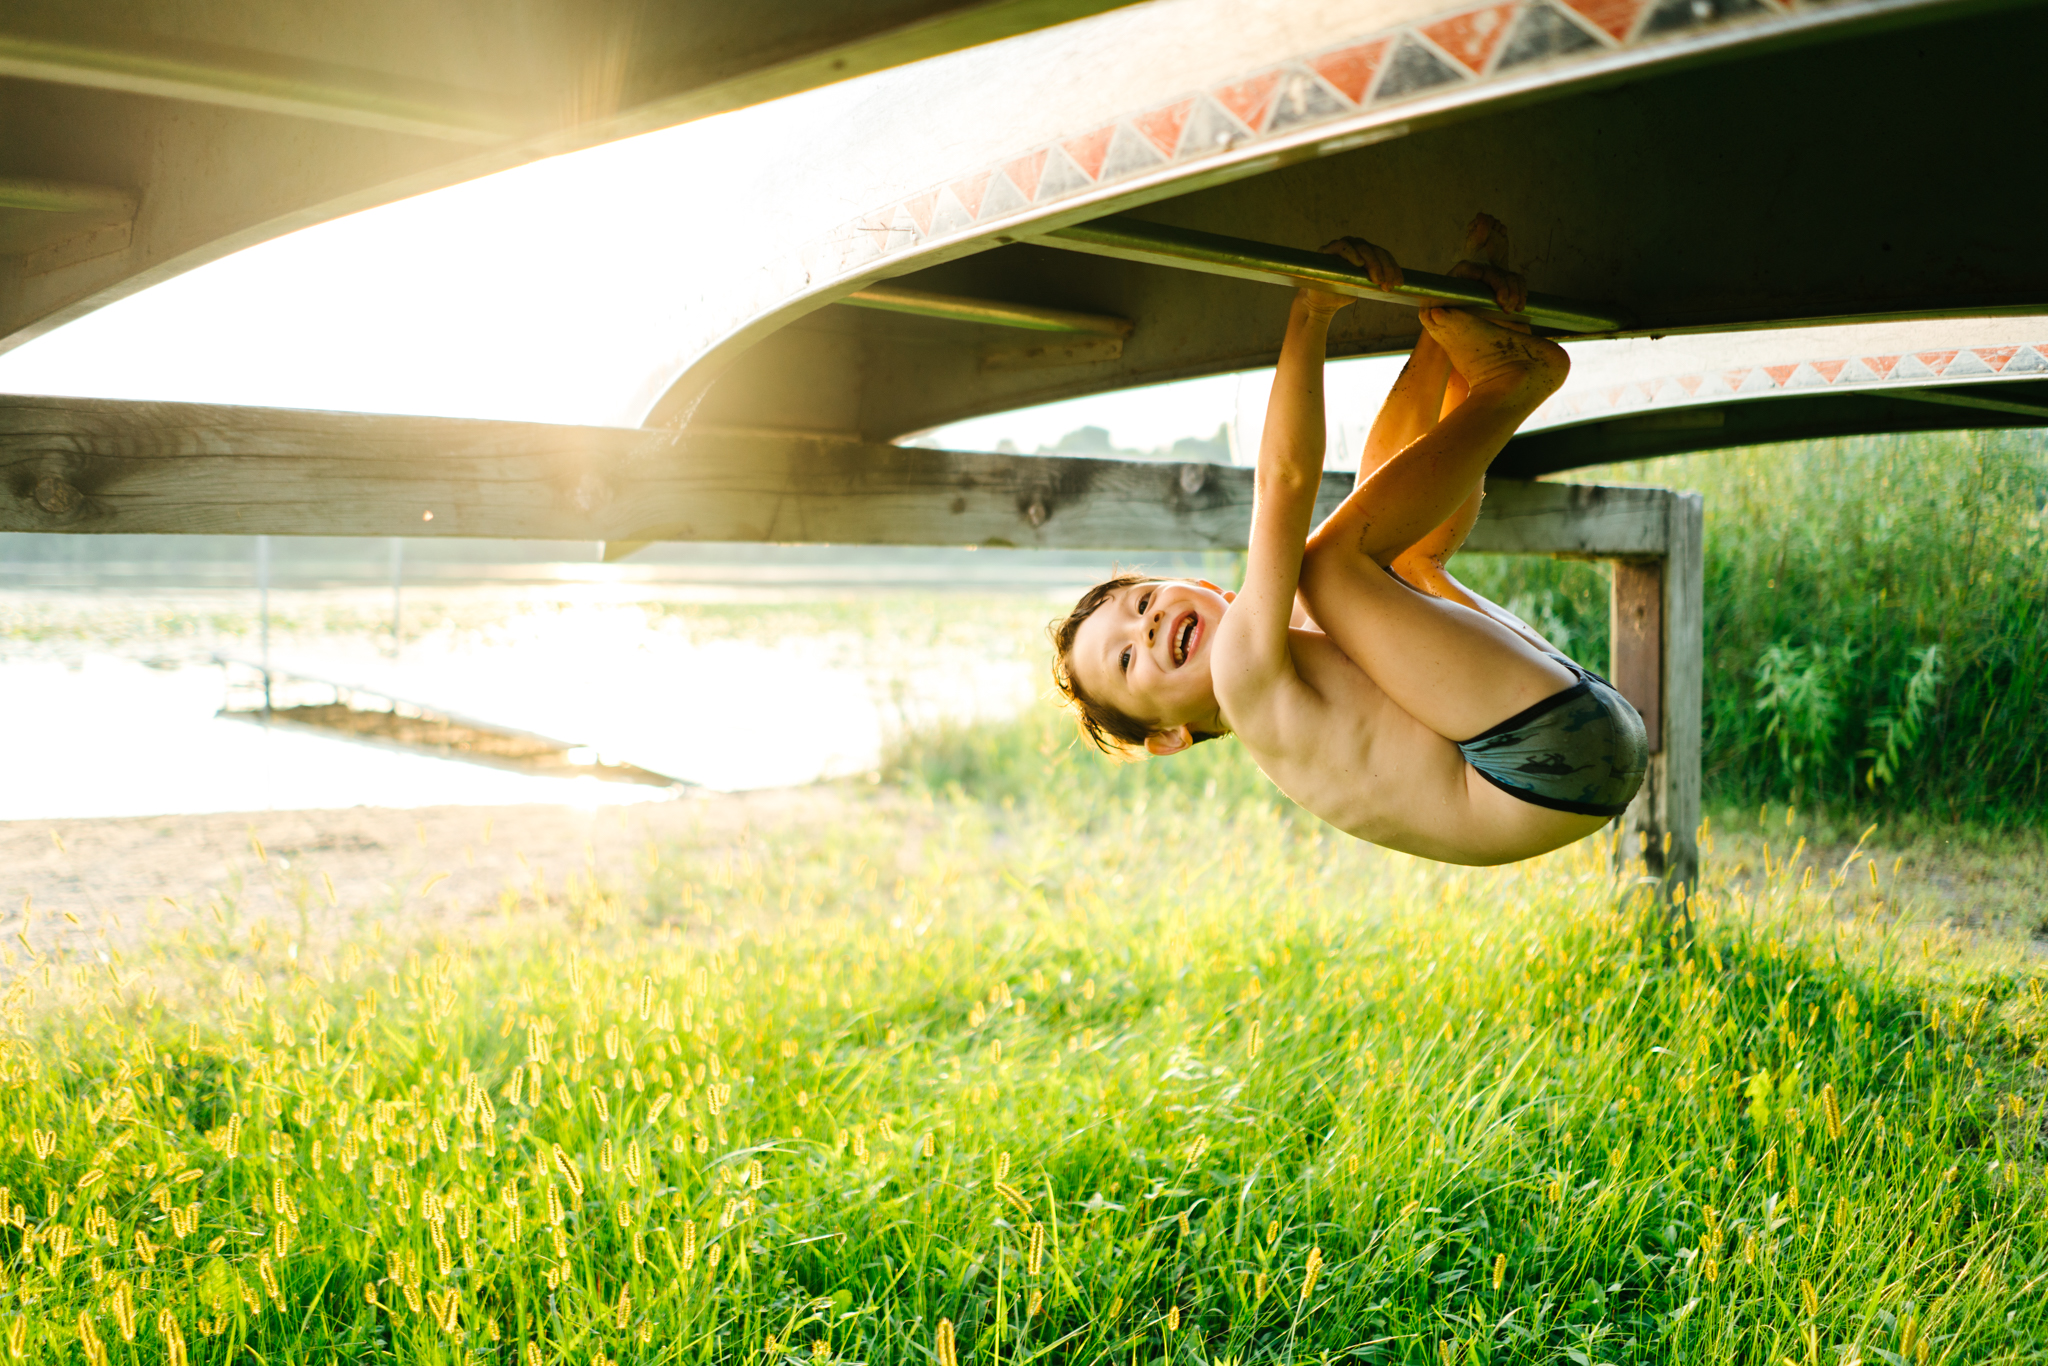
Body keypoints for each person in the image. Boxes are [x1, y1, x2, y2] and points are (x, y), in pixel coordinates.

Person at [1049, 218, 1646, 866]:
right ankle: (1509, 383)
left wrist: (1434, 334)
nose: (1148, 627)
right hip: (1532, 762)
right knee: (1327, 566)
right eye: (1128, 660)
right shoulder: (1243, 682)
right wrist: (1312, 308)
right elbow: (1285, 481)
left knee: (1396, 560)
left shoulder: (1289, 664)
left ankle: (1452, 331)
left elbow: (1381, 498)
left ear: (1206, 590)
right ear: (1168, 737)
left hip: (1573, 744)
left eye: (1141, 604)